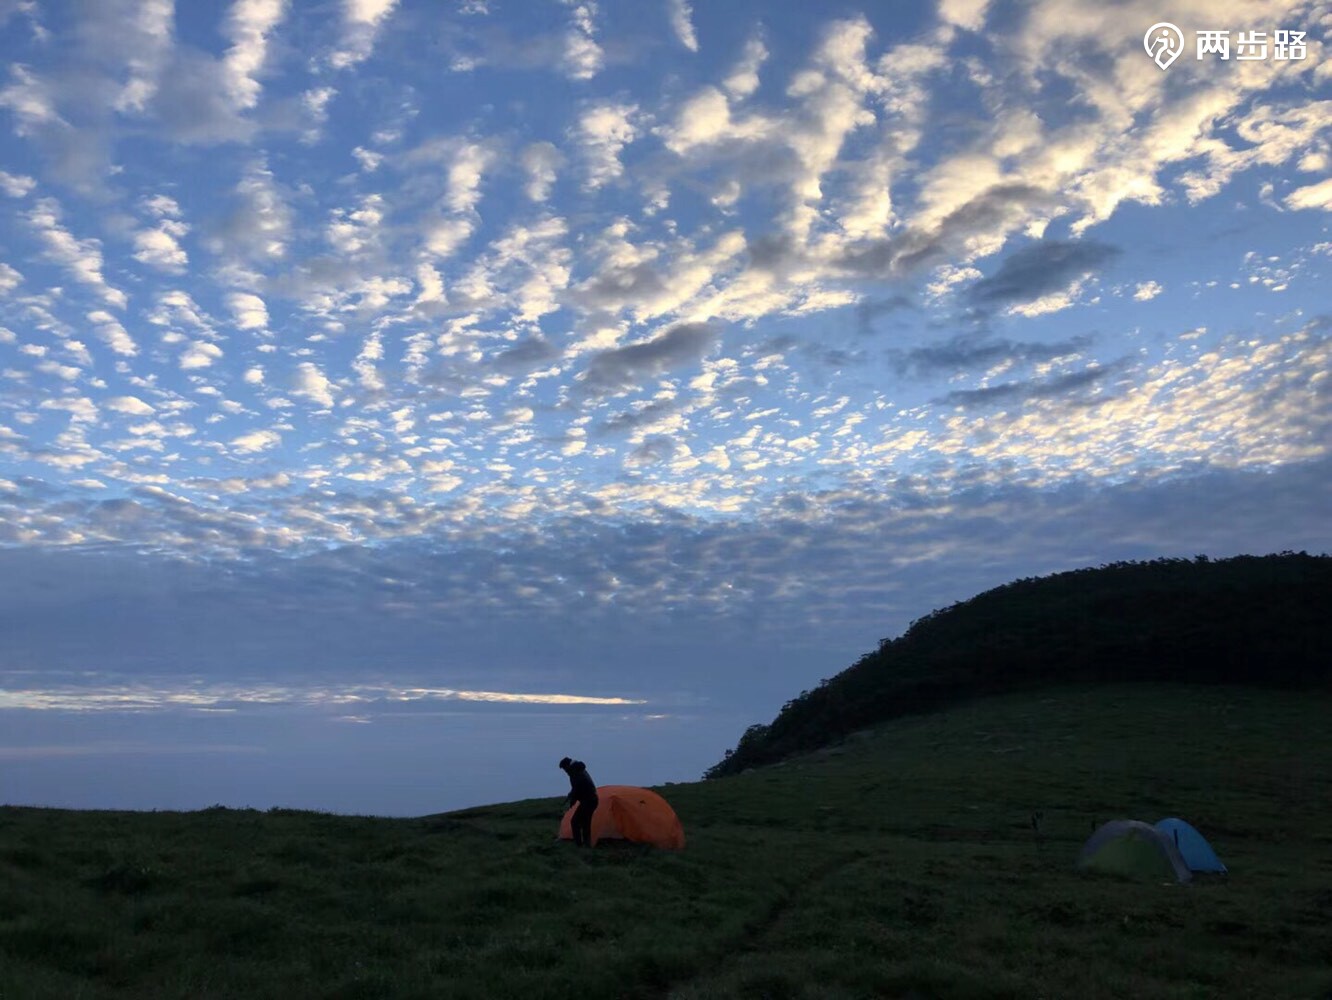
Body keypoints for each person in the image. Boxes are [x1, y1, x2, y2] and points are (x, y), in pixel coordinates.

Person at [559, 756, 598, 848]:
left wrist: (572, 800)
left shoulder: (576, 773)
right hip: (591, 800)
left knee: (575, 822)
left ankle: (579, 846)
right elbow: (576, 788)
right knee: (585, 823)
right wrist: (571, 795)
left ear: (568, 766)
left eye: (565, 769)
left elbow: (578, 789)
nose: (565, 772)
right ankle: (587, 845)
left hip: (588, 801)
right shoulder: (577, 770)